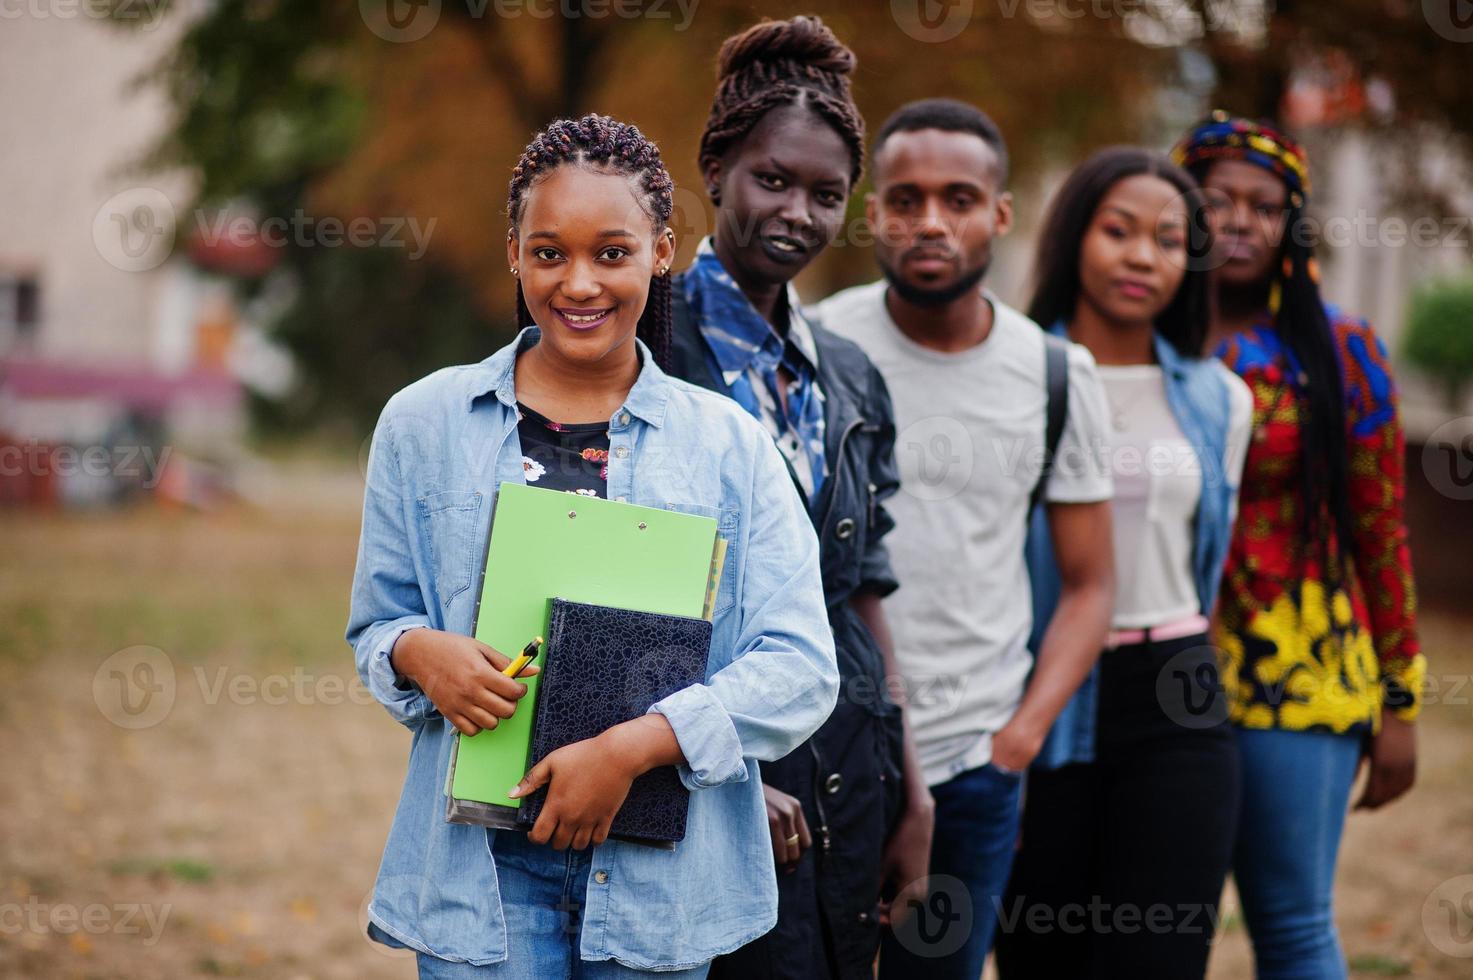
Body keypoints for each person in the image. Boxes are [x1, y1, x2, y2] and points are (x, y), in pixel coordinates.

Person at [346, 113, 840, 980]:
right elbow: (378, 624)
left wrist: (633, 747)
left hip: (660, 880)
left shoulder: (728, 445)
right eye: (548, 253)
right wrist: (419, 652)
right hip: (480, 876)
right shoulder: (422, 425)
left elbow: (799, 664)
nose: (578, 283)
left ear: (660, 250)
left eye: (611, 253)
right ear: (512, 253)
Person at [814, 98, 1116, 980]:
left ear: (1001, 214)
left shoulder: (1058, 375)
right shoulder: (817, 344)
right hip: (826, 748)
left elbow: (1092, 583)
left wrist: (1016, 739)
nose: (930, 222)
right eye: (904, 199)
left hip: (976, 766)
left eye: (958, 198)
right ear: (872, 214)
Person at [664, 17, 932, 980]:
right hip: (686, 759)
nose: (797, 213)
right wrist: (721, 769)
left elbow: (861, 589)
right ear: (714, 170)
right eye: (771, 179)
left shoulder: (850, 377)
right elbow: (590, 579)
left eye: (827, 194)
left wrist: (914, 785)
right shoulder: (638, 339)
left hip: (846, 762)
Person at [1173, 112, 1426, 979]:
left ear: (1290, 224)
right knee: (1161, 926)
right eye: (1217, 201)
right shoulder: (1134, 340)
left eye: (1264, 206)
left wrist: (1400, 701)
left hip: (1303, 673)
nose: (1240, 220)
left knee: (1289, 922)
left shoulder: (1340, 350)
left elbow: (1379, 528)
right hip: (1155, 671)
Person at [993, 147, 1252, 978]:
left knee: (1161, 955)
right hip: (1042, 691)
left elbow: (1207, 555)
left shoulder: (1220, 398)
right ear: (1074, 237)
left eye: (1170, 240)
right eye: (1118, 231)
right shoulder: (1013, 378)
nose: (1143, 256)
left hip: (1176, 693)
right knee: (1041, 954)